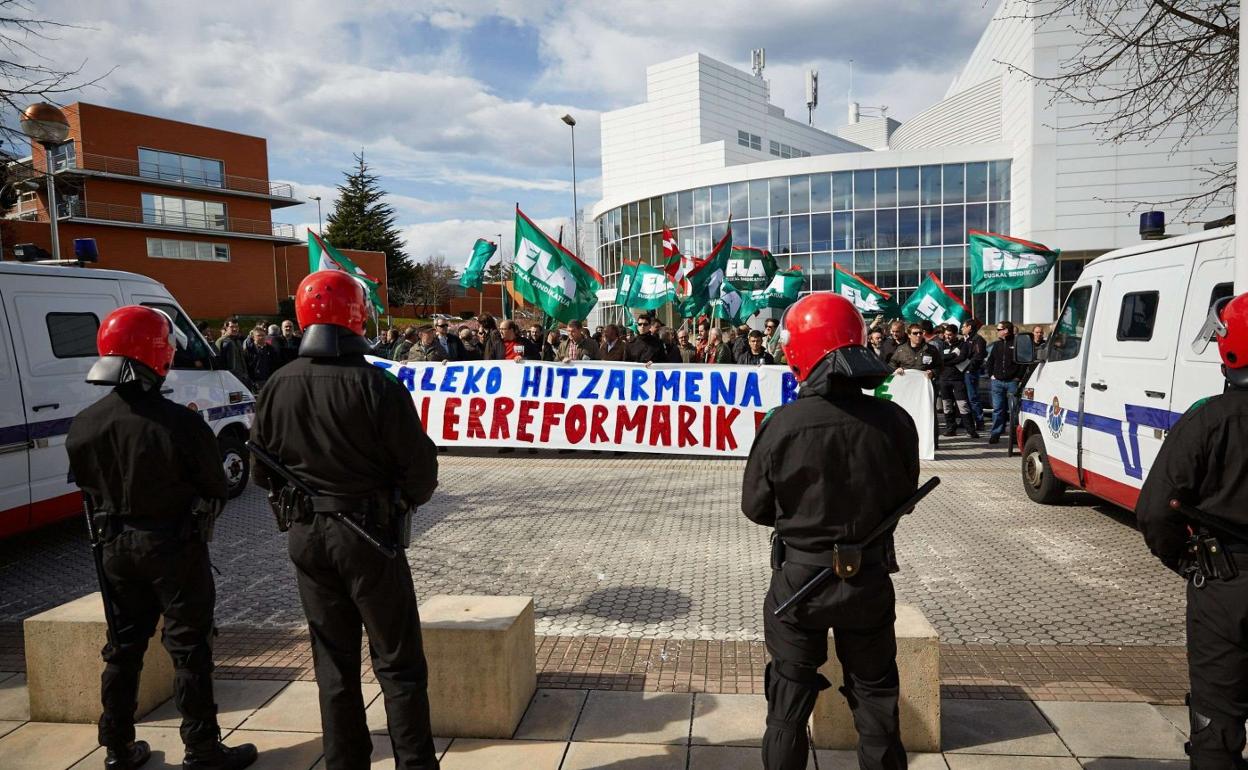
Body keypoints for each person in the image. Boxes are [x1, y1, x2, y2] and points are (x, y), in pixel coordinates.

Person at [250, 271, 441, 770]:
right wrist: (398, 501)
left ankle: (345, 761)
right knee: (398, 663)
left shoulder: (275, 386)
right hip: (368, 536)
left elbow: (259, 472)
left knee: (332, 663)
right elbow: (421, 472)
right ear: (357, 315)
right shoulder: (378, 385)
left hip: (307, 537)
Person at [66, 306, 257, 770]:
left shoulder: (84, 423)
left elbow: (87, 487)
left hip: (113, 548)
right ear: (159, 354)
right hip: (173, 547)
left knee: (123, 649)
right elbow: (217, 487)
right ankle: (202, 749)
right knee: (190, 650)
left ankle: (116, 747)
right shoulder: (180, 422)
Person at [743, 293, 917, 770]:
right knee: (877, 698)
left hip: (799, 583)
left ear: (801, 350)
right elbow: (904, 496)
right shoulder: (895, 421)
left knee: (787, 707)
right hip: (869, 579)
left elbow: (755, 507)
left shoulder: (783, 424)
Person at [1136, 293, 1248, 769]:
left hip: (1226, 582)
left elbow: (1155, 511)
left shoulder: (1208, 420)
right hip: (1225, 573)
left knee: (1217, 723)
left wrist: (1184, 559)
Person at [934, 324, 978, 438]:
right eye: (946, 334)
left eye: (950, 335)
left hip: (958, 379)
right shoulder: (941, 345)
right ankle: (950, 429)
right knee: (947, 406)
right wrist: (953, 355)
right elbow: (939, 358)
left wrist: (947, 360)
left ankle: (971, 430)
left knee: (963, 405)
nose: (947, 337)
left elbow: (962, 358)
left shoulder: (963, 345)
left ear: (955, 334)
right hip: (943, 379)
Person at [986, 321, 1023, 445]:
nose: (997, 331)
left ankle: (1014, 436)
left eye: (999, 329)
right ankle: (995, 434)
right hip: (997, 382)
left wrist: (1018, 377)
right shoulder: (997, 345)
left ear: (1006, 330)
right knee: (998, 409)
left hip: (1012, 382)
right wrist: (991, 374)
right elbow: (990, 361)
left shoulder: (1017, 344)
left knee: (1014, 410)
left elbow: (1022, 362)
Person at [961, 319, 987, 431]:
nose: (962, 329)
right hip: (962, 371)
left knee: (973, 398)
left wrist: (970, 369)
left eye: (964, 326)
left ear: (969, 328)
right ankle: (966, 421)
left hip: (971, 373)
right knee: (964, 398)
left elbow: (978, 356)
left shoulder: (978, 340)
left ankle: (979, 421)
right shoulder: (965, 340)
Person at [216, 317, 254, 391]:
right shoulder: (221, 341)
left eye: (236, 327)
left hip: (242, 378)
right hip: (230, 379)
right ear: (226, 327)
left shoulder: (238, 341)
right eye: (232, 327)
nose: (235, 329)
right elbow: (217, 361)